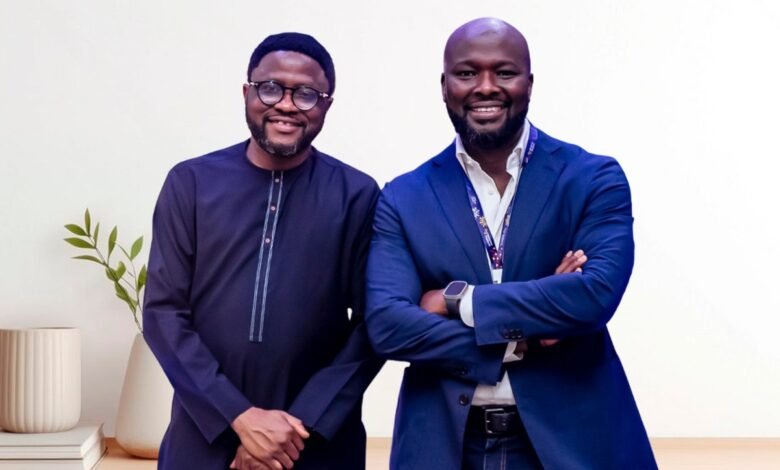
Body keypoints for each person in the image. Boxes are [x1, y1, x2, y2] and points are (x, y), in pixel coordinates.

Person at [365, 18, 657, 469]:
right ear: (444, 86)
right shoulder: (403, 197)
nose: (486, 87)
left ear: (529, 83)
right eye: (466, 73)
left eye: (504, 72)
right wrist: (525, 339)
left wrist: (456, 301)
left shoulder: (592, 178)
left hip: (572, 446)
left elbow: (593, 296)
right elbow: (388, 325)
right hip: (444, 448)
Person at [143, 32, 383, 470]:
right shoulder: (191, 183)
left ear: (327, 104)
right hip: (204, 436)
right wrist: (238, 416)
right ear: (247, 92)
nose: (287, 105)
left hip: (316, 442)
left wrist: (294, 430)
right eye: (270, 87)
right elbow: (163, 314)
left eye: (307, 94)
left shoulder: (357, 195)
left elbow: (374, 324)